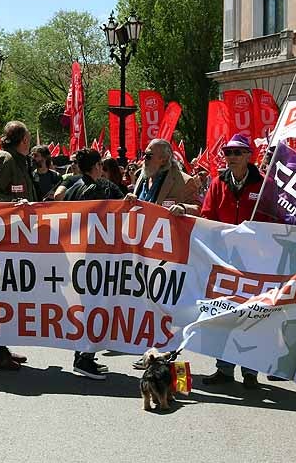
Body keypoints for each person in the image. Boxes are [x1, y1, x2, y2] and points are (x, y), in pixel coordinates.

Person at [199, 134, 270, 390]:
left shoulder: (264, 184)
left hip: (255, 261)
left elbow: (275, 219)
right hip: (225, 259)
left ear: (249, 155)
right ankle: (224, 369)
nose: (231, 157)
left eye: (237, 153)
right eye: (228, 152)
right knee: (223, 314)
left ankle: (251, 371)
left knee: (251, 316)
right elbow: (207, 215)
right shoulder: (218, 183)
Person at [59, 147, 126, 380]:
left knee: (85, 305)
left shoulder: (72, 188)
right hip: (94, 256)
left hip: (76, 256)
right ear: (97, 166)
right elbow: (121, 208)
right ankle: (84, 358)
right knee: (94, 306)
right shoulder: (99, 188)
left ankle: (84, 356)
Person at [0, 121, 36, 370]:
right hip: (2, 237)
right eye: (28, 137)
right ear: (22, 139)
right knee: (1, 296)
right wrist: (17, 201)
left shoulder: (19, 160)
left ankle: (0, 346)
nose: (30, 142)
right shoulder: (4, 158)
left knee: (10, 296)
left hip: (17, 237)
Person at [123, 139, 200, 216]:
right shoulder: (141, 176)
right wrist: (129, 201)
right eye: (144, 154)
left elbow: (198, 209)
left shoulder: (185, 181)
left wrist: (183, 208)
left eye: (149, 155)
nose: (144, 158)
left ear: (164, 160)